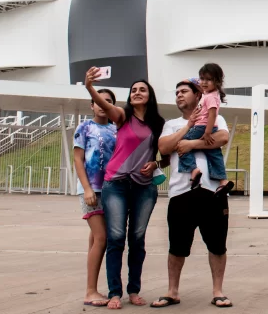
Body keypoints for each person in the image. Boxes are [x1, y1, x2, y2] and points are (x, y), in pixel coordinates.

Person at [84, 68, 165, 310]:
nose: (137, 93)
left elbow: (167, 154)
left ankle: (134, 290)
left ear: (149, 95)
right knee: (116, 239)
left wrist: (157, 163)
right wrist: (89, 87)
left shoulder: (158, 123)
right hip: (116, 184)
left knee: (137, 239)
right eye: (133, 90)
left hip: (144, 187)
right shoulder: (122, 116)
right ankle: (115, 292)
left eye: (142, 89)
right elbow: (106, 106)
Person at [150, 79, 233, 308]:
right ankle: (172, 291)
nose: (179, 95)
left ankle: (218, 291)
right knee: (177, 246)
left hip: (213, 191)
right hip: (181, 192)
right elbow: (165, 147)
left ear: (198, 95)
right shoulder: (172, 124)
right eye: (176, 92)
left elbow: (222, 137)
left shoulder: (216, 117)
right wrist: (187, 129)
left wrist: (189, 144)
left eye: (184, 91)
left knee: (217, 245)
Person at [74, 88, 117, 307]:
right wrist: (87, 188)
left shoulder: (115, 129)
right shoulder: (84, 127)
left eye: (107, 101)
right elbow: (78, 159)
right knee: (101, 238)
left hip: (111, 189)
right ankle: (90, 291)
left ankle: (94, 288)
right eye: (98, 101)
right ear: (92, 105)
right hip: (91, 190)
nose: (102, 104)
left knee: (96, 239)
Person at [177, 64, 234, 196]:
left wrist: (207, 132)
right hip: (207, 127)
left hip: (202, 127)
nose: (203, 82)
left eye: (208, 80)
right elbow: (195, 81)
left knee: (182, 143)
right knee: (214, 153)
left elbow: (212, 114)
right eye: (202, 79)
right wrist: (188, 80)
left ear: (217, 81)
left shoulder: (210, 96)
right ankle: (223, 180)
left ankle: (193, 169)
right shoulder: (209, 92)